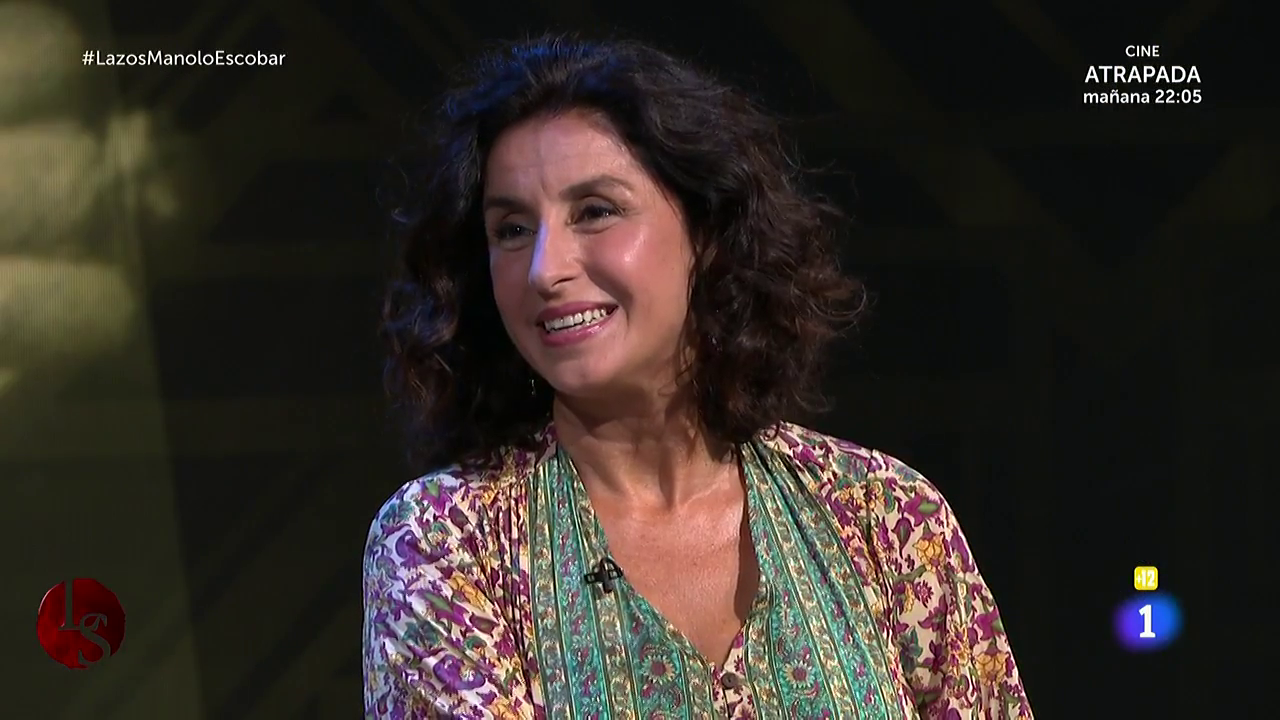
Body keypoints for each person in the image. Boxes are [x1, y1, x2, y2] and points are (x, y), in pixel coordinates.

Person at [364, 33, 1033, 719]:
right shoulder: (447, 540)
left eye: (595, 212)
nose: (544, 269)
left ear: (707, 231)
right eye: (511, 229)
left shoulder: (882, 514)